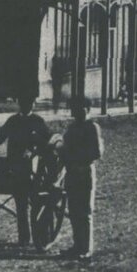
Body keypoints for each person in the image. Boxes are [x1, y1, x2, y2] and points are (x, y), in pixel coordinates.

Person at [0, 89, 53, 246]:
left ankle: (40, 238)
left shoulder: (38, 122)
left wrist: (38, 147)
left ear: (33, 104)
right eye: (23, 103)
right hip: (15, 168)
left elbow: (49, 144)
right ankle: (24, 239)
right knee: (21, 205)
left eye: (29, 103)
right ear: (19, 104)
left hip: (35, 171)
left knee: (35, 205)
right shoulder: (13, 121)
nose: (26, 106)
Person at [59, 96, 104, 260]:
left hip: (84, 171)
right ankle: (77, 245)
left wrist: (76, 156)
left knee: (84, 212)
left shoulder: (92, 128)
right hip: (72, 172)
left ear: (88, 110)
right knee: (73, 210)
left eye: (80, 109)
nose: (77, 113)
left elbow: (97, 152)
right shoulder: (71, 129)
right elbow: (64, 149)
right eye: (75, 110)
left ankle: (86, 248)